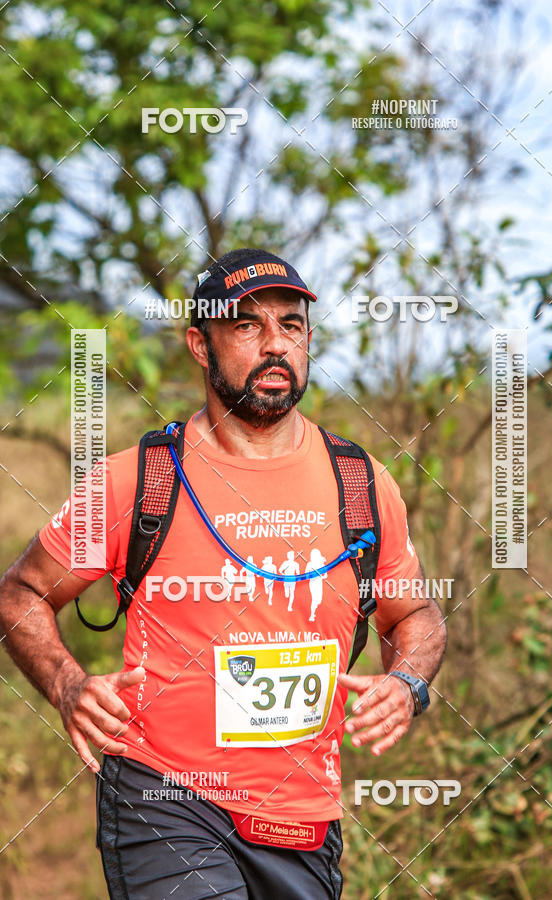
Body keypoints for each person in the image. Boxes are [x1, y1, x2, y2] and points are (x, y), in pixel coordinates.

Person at [0, 248, 447, 899]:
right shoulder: (137, 481)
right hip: (163, 797)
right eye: (246, 326)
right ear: (199, 345)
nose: (275, 344)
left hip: (302, 816)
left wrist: (407, 682)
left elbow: (416, 615)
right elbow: (21, 592)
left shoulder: (361, 484)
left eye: (290, 325)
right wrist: (67, 685)